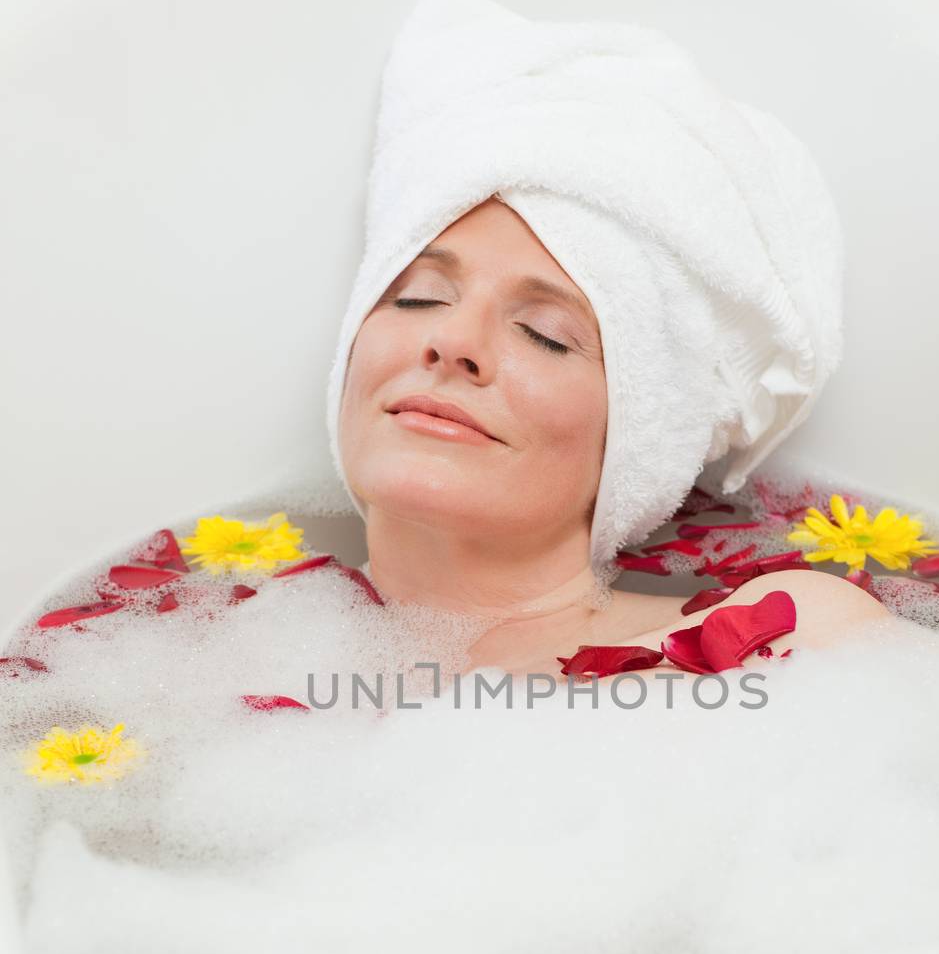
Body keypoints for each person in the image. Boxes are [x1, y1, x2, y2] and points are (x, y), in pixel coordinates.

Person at [335, 195, 893, 680]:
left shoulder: (791, 642)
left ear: (639, 442)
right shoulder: (255, 643)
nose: (452, 338)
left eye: (544, 335)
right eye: (418, 297)